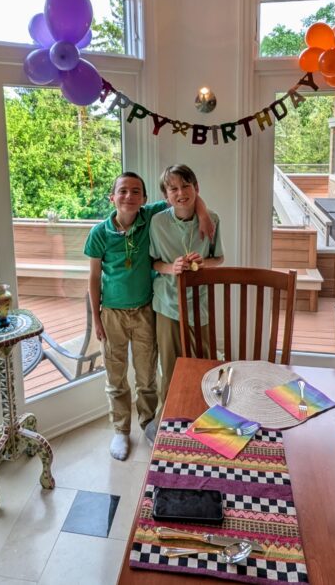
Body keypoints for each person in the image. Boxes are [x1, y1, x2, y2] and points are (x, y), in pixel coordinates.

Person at [84, 171, 213, 460]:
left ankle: (148, 423)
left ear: (144, 199)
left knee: (147, 376)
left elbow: (183, 196)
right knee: (116, 376)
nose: (129, 196)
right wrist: (96, 319)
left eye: (135, 191)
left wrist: (204, 214)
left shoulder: (150, 216)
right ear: (112, 197)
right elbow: (93, 278)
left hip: (144, 311)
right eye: (122, 191)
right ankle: (121, 429)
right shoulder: (99, 233)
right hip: (112, 314)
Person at [149, 164, 224, 408]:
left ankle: (204, 410)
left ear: (196, 188)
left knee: (204, 362)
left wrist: (203, 264)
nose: (181, 192)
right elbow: (153, 262)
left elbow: (219, 258)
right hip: (167, 304)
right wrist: (172, 267)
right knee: (170, 366)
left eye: (186, 186)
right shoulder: (157, 222)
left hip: (200, 302)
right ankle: (169, 415)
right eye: (173, 189)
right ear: (166, 196)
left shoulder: (212, 219)